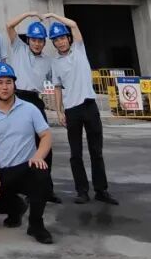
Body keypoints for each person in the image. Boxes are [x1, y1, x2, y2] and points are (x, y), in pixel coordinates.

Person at [0, 62, 54, 245]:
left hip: (26, 168)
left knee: (41, 174)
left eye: (8, 82)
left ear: (14, 84)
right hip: (3, 171)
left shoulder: (30, 109)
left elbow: (46, 135)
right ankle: (16, 209)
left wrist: (38, 156)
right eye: (0, 82)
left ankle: (36, 224)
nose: (4, 87)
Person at [47, 13, 118, 205]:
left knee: (96, 151)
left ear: (68, 38)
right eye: (56, 40)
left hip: (89, 106)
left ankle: (101, 190)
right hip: (72, 110)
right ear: (53, 43)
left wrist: (53, 15)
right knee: (75, 153)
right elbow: (57, 87)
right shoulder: (55, 62)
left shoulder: (79, 49)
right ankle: (82, 191)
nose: (60, 42)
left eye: (62, 38)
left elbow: (74, 24)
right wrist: (59, 111)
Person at [5, 13, 60, 203]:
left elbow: (57, 83)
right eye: (34, 40)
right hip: (18, 98)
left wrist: (60, 109)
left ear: (44, 42)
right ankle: (22, 189)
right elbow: (9, 26)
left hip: (35, 101)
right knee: (19, 144)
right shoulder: (19, 49)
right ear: (28, 40)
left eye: (40, 40)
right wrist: (29, 14)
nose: (37, 43)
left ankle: (46, 189)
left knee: (44, 144)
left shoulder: (48, 61)